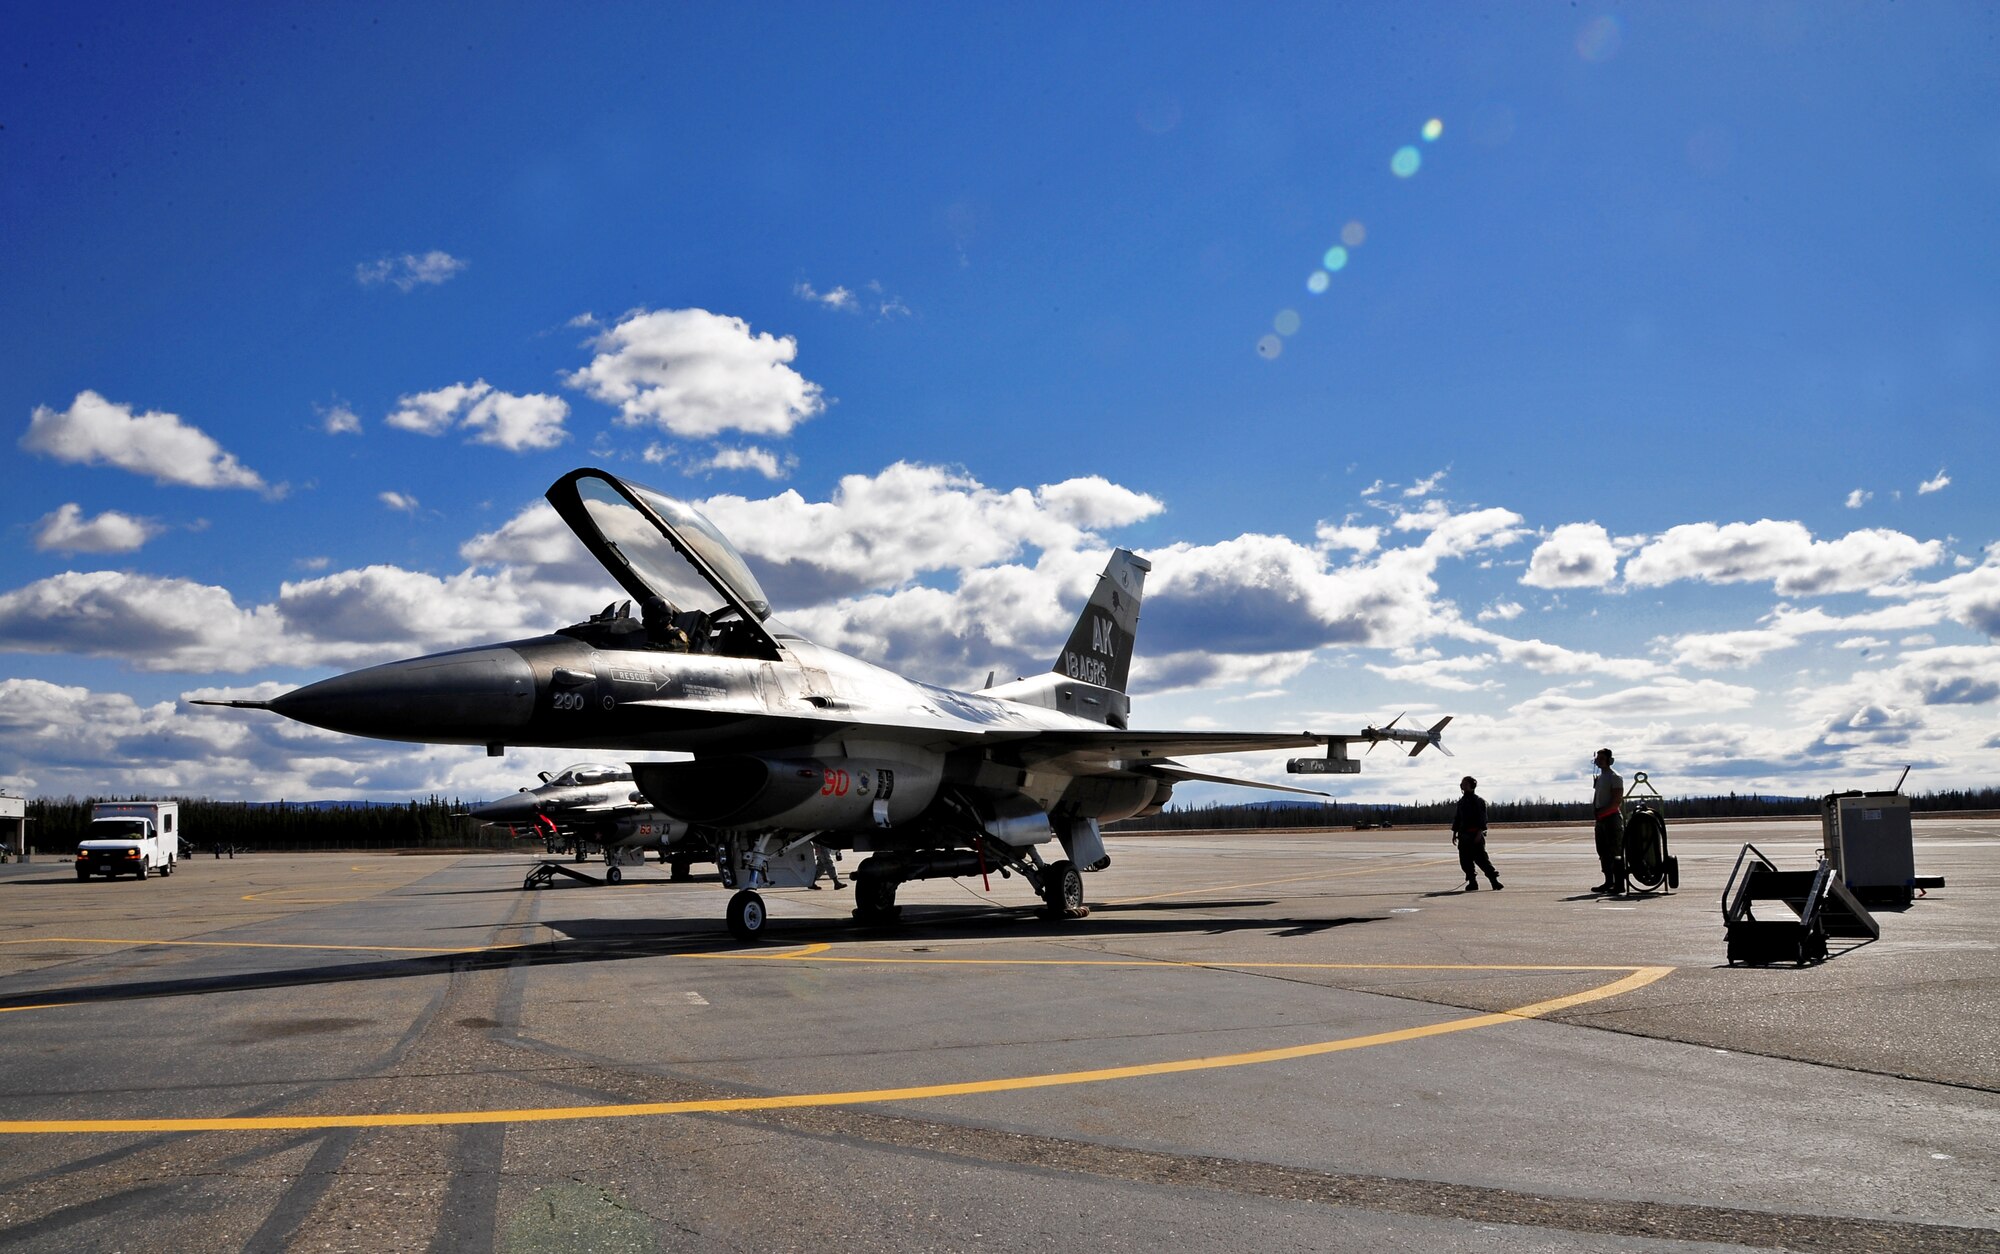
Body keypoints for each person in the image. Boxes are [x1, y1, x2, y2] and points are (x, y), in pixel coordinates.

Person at [1451, 775, 1501, 891]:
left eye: (1465, 783)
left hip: (1475, 835)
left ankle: (1494, 881)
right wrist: (1454, 833)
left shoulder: (1479, 802)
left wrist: (1479, 833)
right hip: (1463, 836)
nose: (1463, 785)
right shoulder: (1461, 803)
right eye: (1462, 784)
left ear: (1472, 786)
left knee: (1482, 859)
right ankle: (1472, 882)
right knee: (1465, 861)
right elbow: (1457, 818)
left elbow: (1482, 819)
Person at [1591, 747, 1625, 894]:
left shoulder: (1615, 777)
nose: (1599, 761)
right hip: (1601, 819)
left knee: (1615, 852)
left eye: (1602, 758)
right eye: (1597, 759)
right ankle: (1608, 881)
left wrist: (1603, 813)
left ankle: (1619, 883)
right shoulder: (1600, 778)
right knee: (1603, 851)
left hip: (1611, 818)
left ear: (1609, 760)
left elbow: (1616, 801)